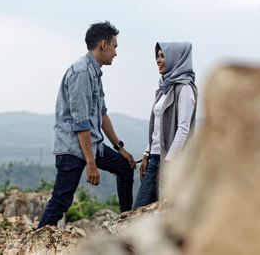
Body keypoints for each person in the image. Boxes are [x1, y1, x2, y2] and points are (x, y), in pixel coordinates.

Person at [38, 21, 135, 228]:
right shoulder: (81, 72)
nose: (116, 53)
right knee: (60, 202)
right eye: (114, 47)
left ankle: (127, 225)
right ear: (103, 45)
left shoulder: (95, 73)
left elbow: (102, 115)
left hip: (93, 146)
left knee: (125, 168)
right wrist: (91, 164)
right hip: (74, 149)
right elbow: (80, 123)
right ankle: (34, 245)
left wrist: (120, 148)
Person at [133, 42, 198, 208]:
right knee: (139, 210)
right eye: (158, 56)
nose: (158, 60)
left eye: (163, 56)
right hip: (155, 158)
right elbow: (157, 127)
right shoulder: (164, 87)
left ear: (176, 59)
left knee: (164, 210)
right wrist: (147, 153)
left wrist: (168, 164)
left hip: (170, 161)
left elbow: (183, 129)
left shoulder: (185, 89)